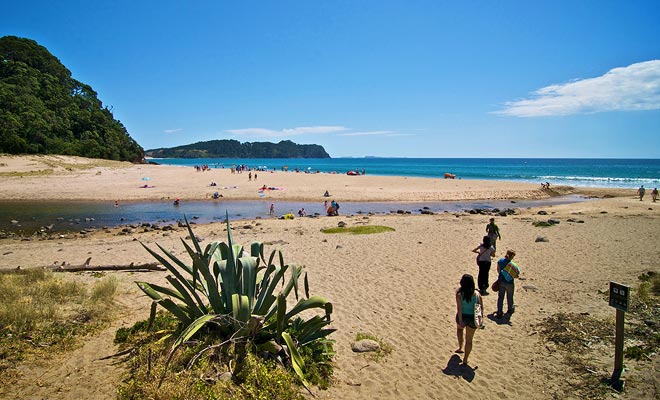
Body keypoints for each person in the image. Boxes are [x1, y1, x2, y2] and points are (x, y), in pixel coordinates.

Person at [455, 274, 483, 366]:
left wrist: (460, 320)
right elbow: (481, 308)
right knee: (469, 340)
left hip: (462, 316)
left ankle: (460, 347)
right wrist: (480, 321)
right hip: (472, 318)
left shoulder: (459, 294)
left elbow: (459, 309)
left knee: (459, 330)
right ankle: (465, 359)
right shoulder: (477, 294)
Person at [496, 250, 520, 318]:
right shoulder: (512, 265)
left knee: (500, 298)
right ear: (512, 256)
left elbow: (498, 270)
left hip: (501, 281)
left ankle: (499, 312)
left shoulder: (500, 261)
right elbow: (516, 275)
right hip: (509, 283)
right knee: (510, 297)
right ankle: (510, 310)